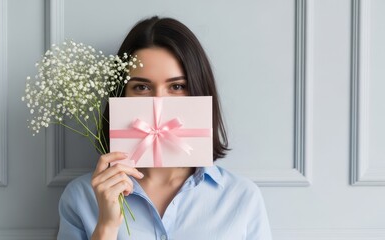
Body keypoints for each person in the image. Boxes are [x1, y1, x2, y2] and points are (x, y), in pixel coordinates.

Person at [57, 16, 272, 240]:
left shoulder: (242, 198)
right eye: (141, 87)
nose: (158, 102)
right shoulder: (82, 197)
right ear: (121, 95)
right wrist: (107, 228)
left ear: (197, 91)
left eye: (177, 86)